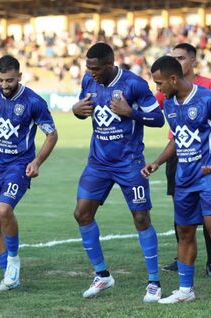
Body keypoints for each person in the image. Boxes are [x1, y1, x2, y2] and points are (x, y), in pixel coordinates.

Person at [71, 42, 165, 301]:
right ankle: (102, 276)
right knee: (81, 213)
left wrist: (130, 113)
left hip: (129, 163)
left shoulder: (134, 84)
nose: (91, 73)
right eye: (88, 68)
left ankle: (154, 282)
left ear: (110, 65)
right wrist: (76, 111)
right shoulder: (89, 81)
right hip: (98, 163)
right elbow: (85, 110)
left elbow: (158, 119)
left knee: (141, 219)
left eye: (96, 69)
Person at [143, 55, 211, 309]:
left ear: (174, 78)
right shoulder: (170, 105)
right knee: (184, 233)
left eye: (160, 83)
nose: (157, 89)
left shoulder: (207, 99)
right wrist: (158, 162)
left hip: (210, 177)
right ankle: (185, 290)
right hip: (184, 179)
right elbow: (176, 140)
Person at [0, 55, 58, 291]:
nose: (4, 85)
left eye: (9, 80)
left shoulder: (33, 101)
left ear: (19, 76)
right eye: (0, 80)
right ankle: (9, 273)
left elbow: (52, 134)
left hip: (19, 165)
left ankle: (14, 261)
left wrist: (37, 161)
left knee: (3, 209)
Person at [157, 43, 211, 278]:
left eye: (182, 57)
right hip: (178, 155)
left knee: (210, 215)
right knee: (182, 213)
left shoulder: (209, 88)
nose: (177, 61)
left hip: (206, 157)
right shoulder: (165, 89)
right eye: (173, 57)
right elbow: (154, 113)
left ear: (193, 61)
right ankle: (182, 260)